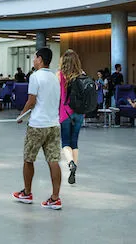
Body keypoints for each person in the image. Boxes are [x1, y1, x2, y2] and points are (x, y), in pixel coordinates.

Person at [12, 47, 63, 209]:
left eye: (35, 58)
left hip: (37, 125)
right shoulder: (56, 78)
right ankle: (55, 197)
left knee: (28, 159)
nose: (33, 60)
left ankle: (27, 193)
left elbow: (31, 101)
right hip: (54, 125)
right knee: (53, 160)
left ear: (40, 59)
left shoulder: (35, 77)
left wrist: (21, 116)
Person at [59, 49, 85, 185]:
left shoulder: (60, 75)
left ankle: (70, 163)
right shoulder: (82, 74)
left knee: (65, 142)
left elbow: (57, 95)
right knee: (74, 141)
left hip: (65, 113)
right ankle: (74, 168)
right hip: (80, 112)